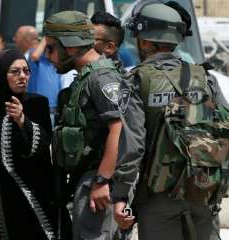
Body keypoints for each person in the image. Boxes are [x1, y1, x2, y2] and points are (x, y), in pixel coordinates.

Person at [112, 2, 229, 240]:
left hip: (157, 198)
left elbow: (133, 146)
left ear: (144, 41)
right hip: (203, 190)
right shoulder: (205, 77)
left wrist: (121, 196)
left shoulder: (136, 81)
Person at [43, 11, 123, 240]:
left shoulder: (102, 78)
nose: (48, 56)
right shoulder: (86, 78)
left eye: (51, 48)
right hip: (87, 180)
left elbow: (119, 129)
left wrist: (102, 181)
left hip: (98, 184)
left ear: (69, 47)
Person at [0, 49, 55, 239]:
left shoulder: (36, 104)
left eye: (26, 71)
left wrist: (23, 121)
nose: (22, 76)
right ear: (0, 73)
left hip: (29, 199)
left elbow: (42, 148)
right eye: (15, 71)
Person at [13, 25, 62, 126]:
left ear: (26, 39)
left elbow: (35, 56)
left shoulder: (38, 53)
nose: (14, 39)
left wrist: (46, 37)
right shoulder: (34, 54)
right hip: (38, 105)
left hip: (48, 107)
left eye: (17, 36)